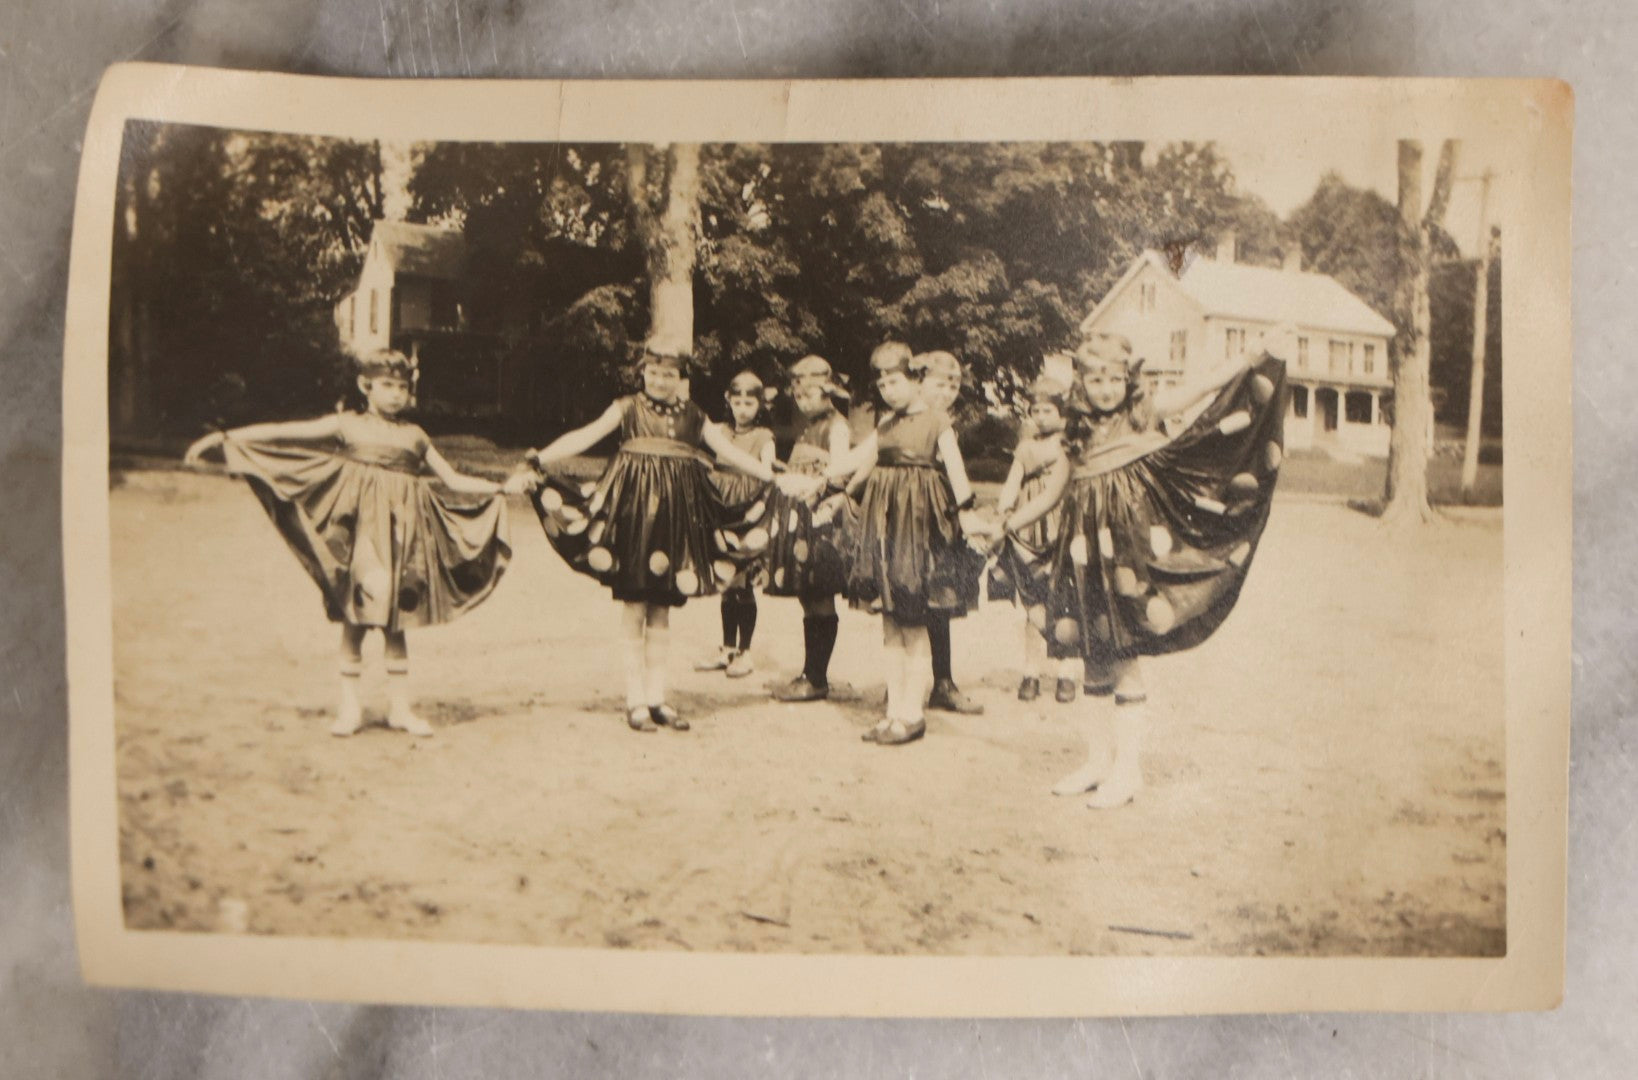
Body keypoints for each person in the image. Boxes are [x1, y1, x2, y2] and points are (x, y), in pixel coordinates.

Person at [1002, 331, 1287, 807]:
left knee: (1125, 653)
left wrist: (1247, 358)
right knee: (1093, 655)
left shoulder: (1142, 413)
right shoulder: (1075, 433)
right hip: (1083, 550)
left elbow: (1197, 390)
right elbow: (1053, 491)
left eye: (1115, 378)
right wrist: (1010, 522)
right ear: (1082, 383)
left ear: (1127, 379)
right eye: (1096, 379)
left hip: (1128, 553)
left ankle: (1128, 770)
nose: (1106, 388)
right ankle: (1097, 762)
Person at [183, 348, 520, 738]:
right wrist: (226, 438)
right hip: (364, 540)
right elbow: (284, 431)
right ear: (366, 386)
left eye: (402, 387)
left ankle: (399, 708)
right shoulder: (348, 425)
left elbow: (454, 479)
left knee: (398, 621)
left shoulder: (415, 436)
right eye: (387, 386)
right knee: (357, 615)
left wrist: (501, 486)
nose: (396, 394)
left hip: (403, 540)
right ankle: (349, 707)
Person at [522, 341, 777, 734]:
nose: (660, 380)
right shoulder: (626, 408)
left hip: (674, 521)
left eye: (669, 374)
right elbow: (585, 436)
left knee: (661, 608)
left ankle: (657, 697)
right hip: (635, 518)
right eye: (653, 372)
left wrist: (773, 478)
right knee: (635, 605)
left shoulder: (695, 415)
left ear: (681, 377)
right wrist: (540, 458)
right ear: (642, 372)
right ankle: (634, 700)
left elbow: (730, 452)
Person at [783, 347, 983, 746]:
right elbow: (859, 458)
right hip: (886, 524)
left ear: (914, 379)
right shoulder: (887, 423)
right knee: (891, 621)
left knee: (913, 618)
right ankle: (893, 713)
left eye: (896, 382)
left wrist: (969, 517)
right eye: (883, 384)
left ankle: (913, 713)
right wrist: (819, 483)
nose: (889, 391)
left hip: (920, 527)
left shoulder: (936, 421)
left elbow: (957, 471)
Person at [765, 355, 857, 703]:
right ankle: (810, 670)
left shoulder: (837, 426)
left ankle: (817, 676)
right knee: (807, 593)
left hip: (823, 518)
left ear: (827, 391)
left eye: (809, 395)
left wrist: (819, 489)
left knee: (820, 592)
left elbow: (839, 471)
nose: (802, 402)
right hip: (801, 515)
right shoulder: (807, 426)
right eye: (798, 396)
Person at [989, 371, 1080, 703]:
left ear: (1062, 412)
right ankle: (1031, 670)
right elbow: (1013, 482)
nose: (1041, 417)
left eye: (1048, 411)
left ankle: (1067, 672)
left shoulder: (1069, 444)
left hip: (1063, 522)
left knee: (1068, 598)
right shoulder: (1026, 447)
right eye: (1035, 411)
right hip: (1030, 527)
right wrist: (1003, 512)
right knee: (1033, 601)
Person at [914, 350, 988, 716]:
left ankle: (943, 681)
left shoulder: (944, 423)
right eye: (939, 384)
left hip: (939, 514)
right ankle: (905, 682)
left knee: (939, 595)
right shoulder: (904, 418)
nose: (946, 393)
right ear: (920, 382)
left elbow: (956, 473)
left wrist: (966, 512)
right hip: (907, 514)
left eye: (953, 386)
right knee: (905, 594)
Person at [694, 370, 777, 679]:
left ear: (760, 406)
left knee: (743, 582)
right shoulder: (719, 431)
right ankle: (727, 647)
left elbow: (767, 473)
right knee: (727, 581)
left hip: (748, 509)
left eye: (750, 403)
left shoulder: (763, 437)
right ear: (728, 401)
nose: (743, 409)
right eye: (738, 402)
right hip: (721, 509)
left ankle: (746, 651)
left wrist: (757, 510)